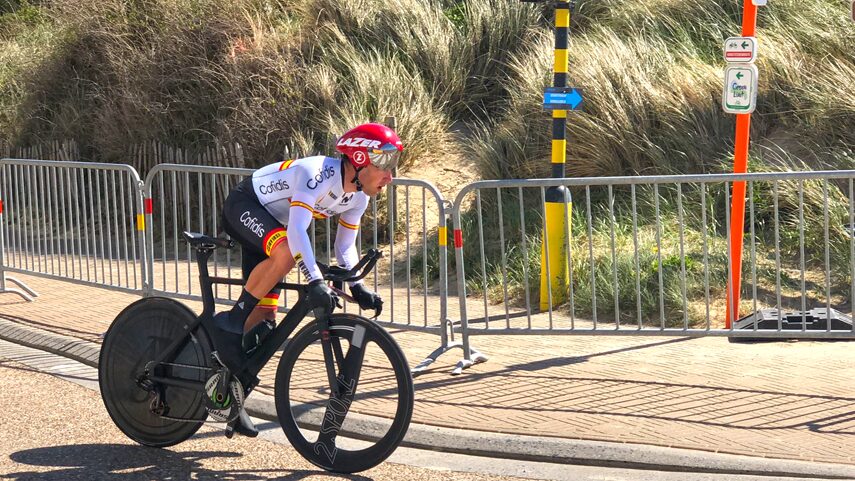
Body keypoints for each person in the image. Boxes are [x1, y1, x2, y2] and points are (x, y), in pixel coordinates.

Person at [216, 122, 401, 436]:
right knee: (287, 253)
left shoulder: (358, 198)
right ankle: (230, 323)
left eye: (394, 164)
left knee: (264, 322)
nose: (390, 176)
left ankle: (223, 394)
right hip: (246, 205)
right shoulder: (316, 175)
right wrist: (314, 278)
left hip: (272, 223)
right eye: (384, 164)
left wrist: (358, 287)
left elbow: (344, 246)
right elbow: (297, 231)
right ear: (358, 159)